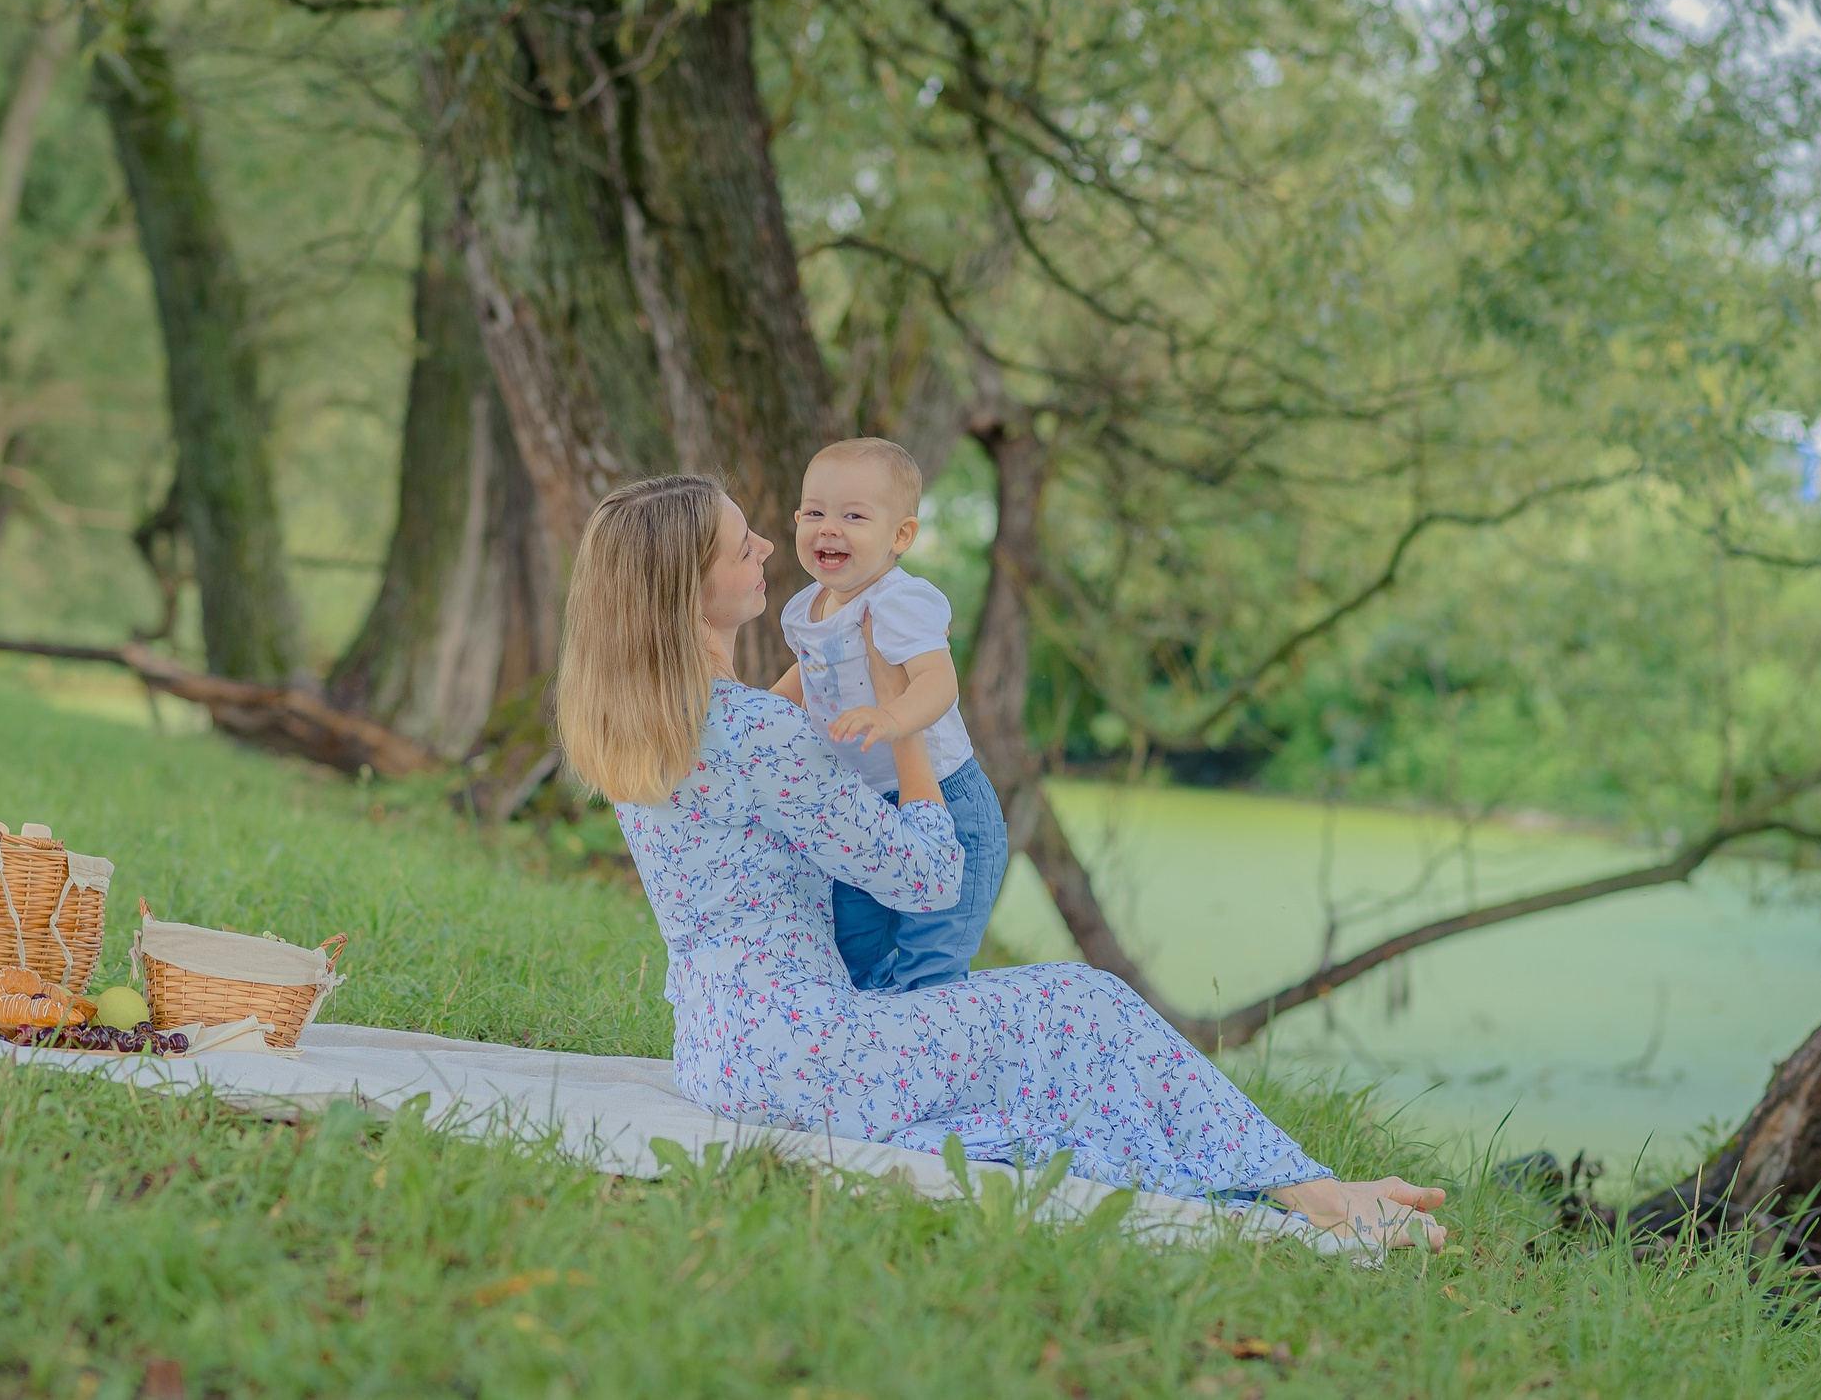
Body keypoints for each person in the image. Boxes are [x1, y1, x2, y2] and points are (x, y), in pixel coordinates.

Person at [554, 471, 1447, 1248]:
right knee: (1086, 1001)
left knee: (1036, 1046)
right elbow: (927, 876)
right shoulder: (755, 732)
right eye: (737, 543)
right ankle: (1317, 1196)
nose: (762, 545)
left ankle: (1297, 1183)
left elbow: (771, 747)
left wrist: (834, 674)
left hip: (717, 1054)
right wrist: (906, 724)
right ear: (688, 589)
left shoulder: (635, 731)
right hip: (809, 1058)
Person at [769, 437, 1006, 993]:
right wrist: (757, 714)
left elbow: (938, 680)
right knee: (852, 950)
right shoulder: (806, 606)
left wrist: (893, 719)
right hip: (861, 808)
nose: (829, 529)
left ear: (900, 535)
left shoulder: (899, 601)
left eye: (854, 516)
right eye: (815, 513)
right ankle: (874, 1040)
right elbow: (807, 673)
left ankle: (941, 1042)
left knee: (932, 961)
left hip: (947, 802)